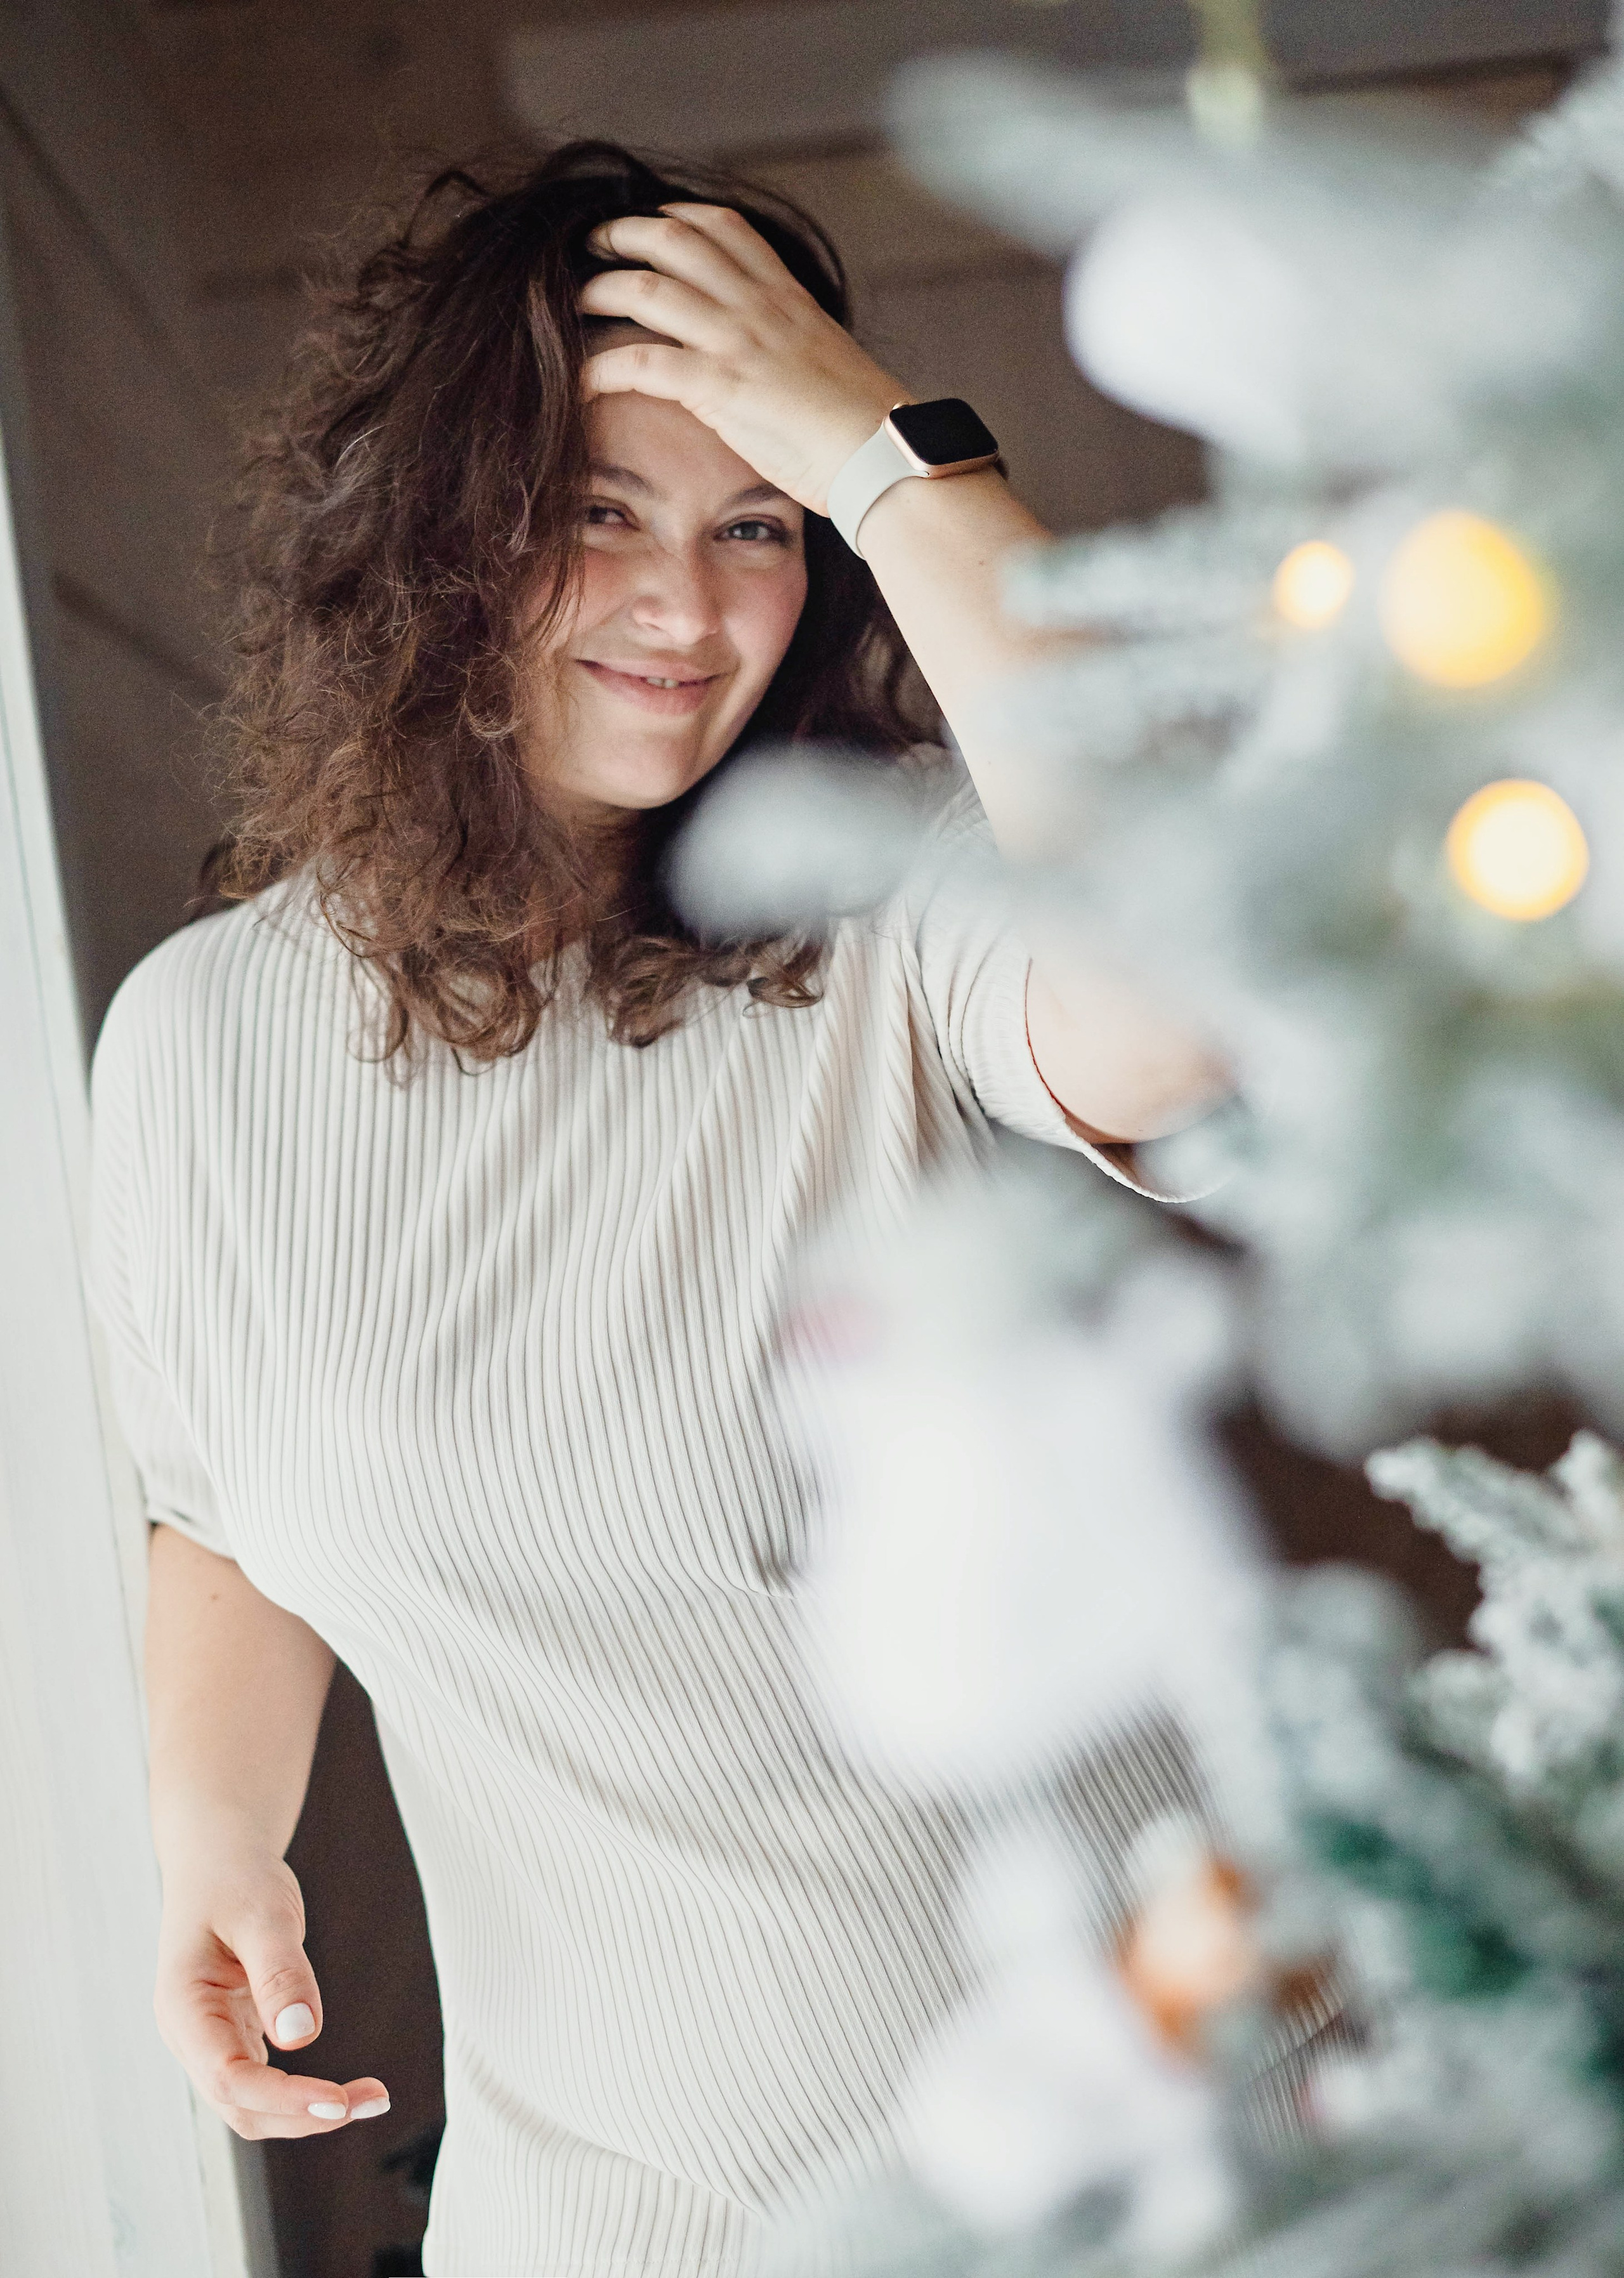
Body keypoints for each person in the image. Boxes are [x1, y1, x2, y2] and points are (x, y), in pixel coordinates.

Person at [89, 143, 1228, 2275]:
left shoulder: (901, 893)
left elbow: (1174, 1015)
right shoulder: (195, 1041)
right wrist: (214, 1839)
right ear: (443, 526)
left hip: (1144, 2151)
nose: (690, 614)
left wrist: (892, 451)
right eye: (599, 512)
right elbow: (221, 1507)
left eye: (760, 524)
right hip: (605, 2203)